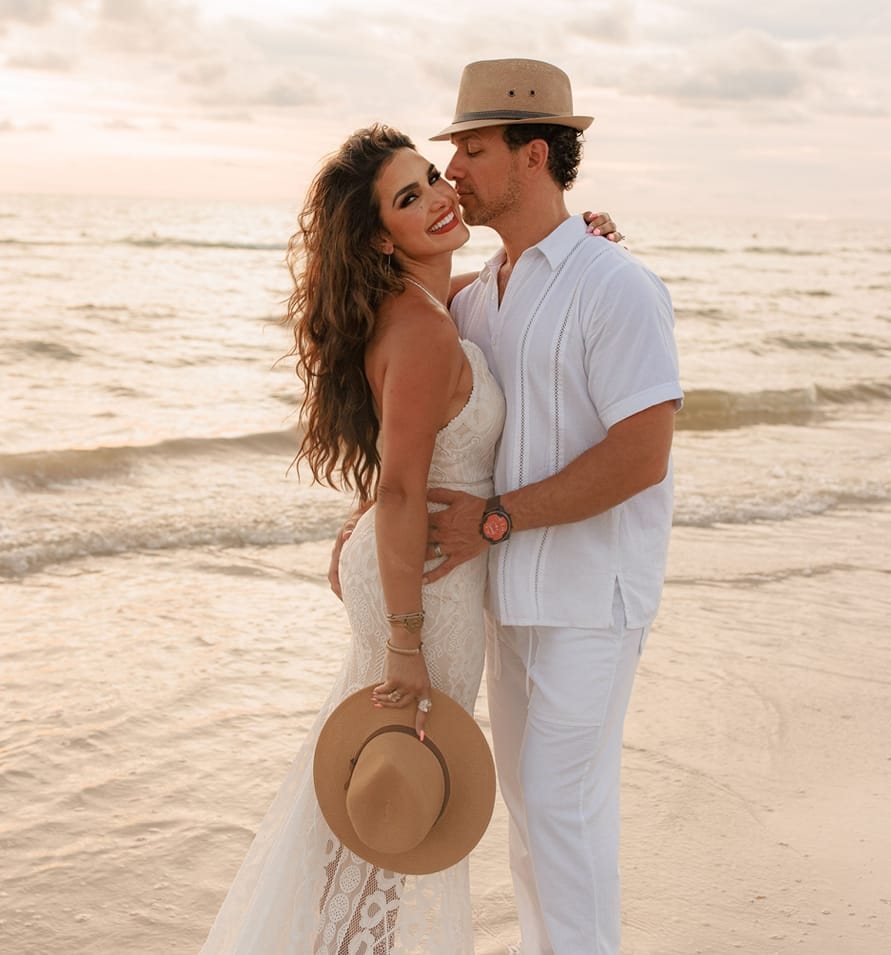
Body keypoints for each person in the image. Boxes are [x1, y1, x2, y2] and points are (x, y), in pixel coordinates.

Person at [199, 123, 619, 954]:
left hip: (413, 570)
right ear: (380, 239)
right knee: (391, 811)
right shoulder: (423, 327)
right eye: (408, 197)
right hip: (424, 587)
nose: (437, 196)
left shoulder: (429, 306)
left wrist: (576, 250)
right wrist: (405, 641)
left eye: (432, 176)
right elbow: (398, 486)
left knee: (378, 806)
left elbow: (490, 299)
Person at [423, 59, 683, 955]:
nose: (454, 168)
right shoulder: (482, 295)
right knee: (532, 812)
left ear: (534, 155)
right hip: (511, 599)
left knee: (564, 811)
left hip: (591, 597)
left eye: (473, 149)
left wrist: (493, 519)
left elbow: (642, 455)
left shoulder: (617, 285)